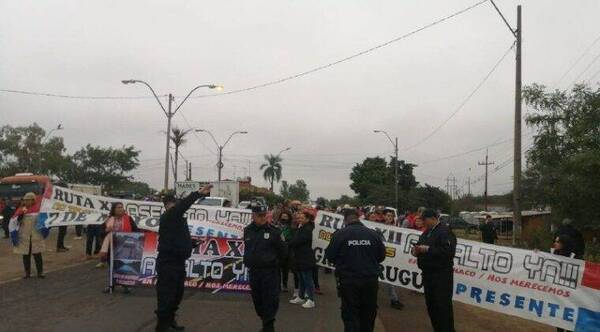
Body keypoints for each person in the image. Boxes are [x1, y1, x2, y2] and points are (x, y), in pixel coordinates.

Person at [155, 185, 212, 332]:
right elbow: (182, 206)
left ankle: (170, 319)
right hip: (168, 263)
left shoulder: (177, 219)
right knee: (166, 295)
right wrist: (197, 194)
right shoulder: (169, 216)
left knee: (177, 294)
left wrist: (192, 243)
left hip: (179, 262)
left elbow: (178, 238)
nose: (178, 207)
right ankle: (162, 326)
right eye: (175, 205)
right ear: (169, 206)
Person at [325, 208, 386, 332]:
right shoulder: (373, 234)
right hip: (370, 280)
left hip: (348, 281)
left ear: (345, 219)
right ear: (358, 216)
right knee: (368, 312)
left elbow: (330, 256)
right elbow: (381, 256)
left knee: (350, 313)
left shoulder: (340, 234)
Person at [243, 202, 287, 332]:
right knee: (258, 301)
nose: (263, 218)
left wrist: (273, 262)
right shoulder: (248, 230)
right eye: (259, 215)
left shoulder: (275, 232)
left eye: (264, 215)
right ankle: (266, 322)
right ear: (253, 216)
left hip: (270, 273)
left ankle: (269, 326)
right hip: (254, 272)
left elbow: (284, 252)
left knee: (270, 300)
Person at [412, 208, 457, 332]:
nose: (423, 223)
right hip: (428, 275)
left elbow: (448, 252)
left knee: (442, 306)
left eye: (424, 220)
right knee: (431, 306)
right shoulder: (426, 232)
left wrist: (427, 249)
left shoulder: (444, 231)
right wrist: (415, 251)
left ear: (433, 218)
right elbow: (418, 245)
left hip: (441, 276)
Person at [100, 202, 139, 293]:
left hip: (125, 247)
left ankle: (125, 286)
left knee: (124, 266)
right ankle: (111, 286)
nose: (120, 209)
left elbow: (136, 230)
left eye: (121, 207)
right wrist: (106, 230)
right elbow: (101, 232)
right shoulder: (109, 219)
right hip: (111, 247)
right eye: (118, 207)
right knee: (112, 267)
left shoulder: (128, 219)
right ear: (114, 209)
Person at [11, 193, 47, 278]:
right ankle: (27, 273)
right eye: (25, 200)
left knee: (37, 255)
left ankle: (40, 272)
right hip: (24, 236)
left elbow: (43, 221)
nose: (26, 202)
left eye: (28, 200)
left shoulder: (39, 210)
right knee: (25, 255)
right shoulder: (21, 210)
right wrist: (21, 214)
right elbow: (15, 222)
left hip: (36, 235)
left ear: (33, 200)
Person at [288, 210, 317, 309]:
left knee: (307, 279)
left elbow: (297, 241)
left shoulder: (308, 229)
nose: (299, 219)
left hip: (305, 257)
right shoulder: (302, 227)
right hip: (299, 257)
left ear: (307, 219)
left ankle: (311, 299)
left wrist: (289, 242)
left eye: (302, 218)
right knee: (301, 278)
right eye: (299, 218)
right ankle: (300, 296)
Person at [383, 209, 404, 310]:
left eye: (391, 216)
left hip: (391, 257)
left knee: (390, 279)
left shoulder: (397, 229)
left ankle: (394, 300)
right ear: (384, 217)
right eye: (387, 215)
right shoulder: (378, 228)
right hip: (380, 256)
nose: (389, 217)